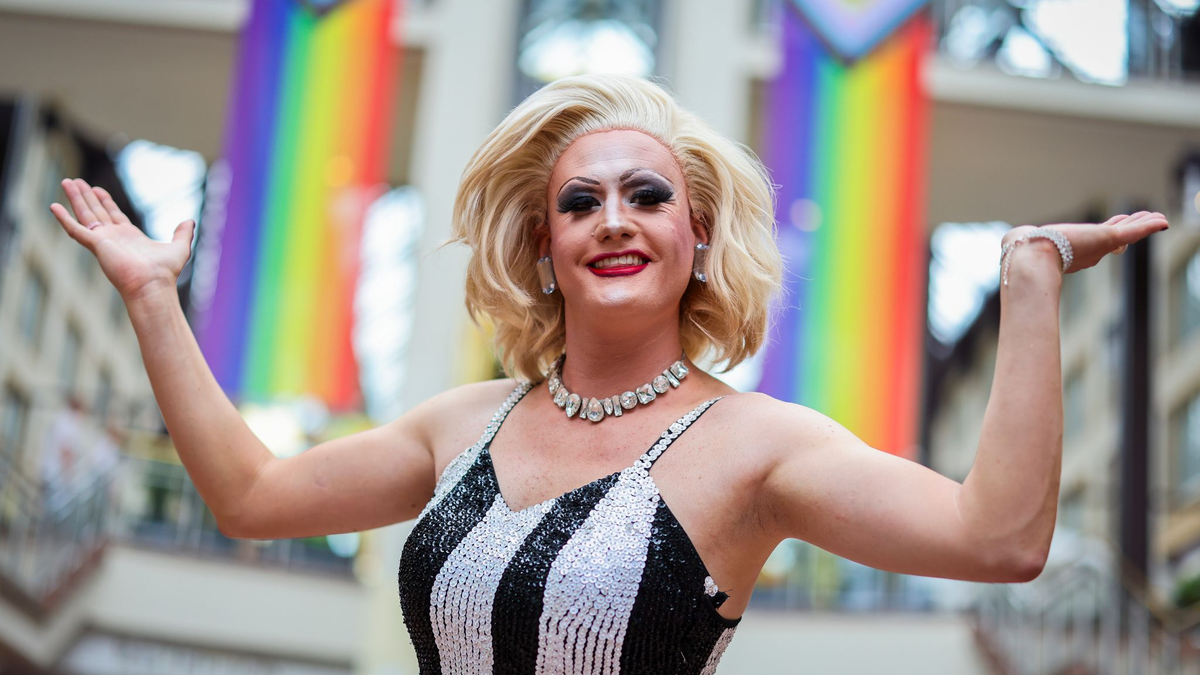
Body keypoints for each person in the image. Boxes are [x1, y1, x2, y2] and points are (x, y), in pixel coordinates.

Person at [48, 74, 1168, 674]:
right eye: (579, 202)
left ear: (697, 237)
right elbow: (249, 498)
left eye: (648, 197)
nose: (613, 221)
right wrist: (153, 297)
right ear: (545, 247)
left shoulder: (759, 446)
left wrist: (1028, 284)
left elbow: (1000, 541)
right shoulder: (466, 424)